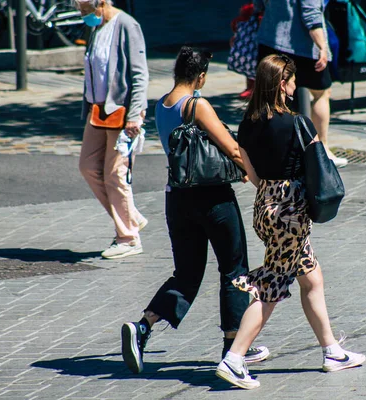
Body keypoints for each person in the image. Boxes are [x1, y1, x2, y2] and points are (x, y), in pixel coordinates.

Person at [215, 54, 365, 390]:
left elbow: (250, 171)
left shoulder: (248, 123)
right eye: (293, 80)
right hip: (290, 214)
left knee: (311, 278)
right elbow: (318, 169)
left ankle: (331, 351)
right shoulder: (298, 123)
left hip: (265, 205)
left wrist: (271, 190)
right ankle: (235, 358)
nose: (296, 86)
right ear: (282, 83)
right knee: (270, 287)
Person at [120, 47, 269, 374]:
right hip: (212, 198)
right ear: (200, 76)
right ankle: (233, 348)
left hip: (177, 198)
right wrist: (257, 178)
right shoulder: (196, 104)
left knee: (186, 273)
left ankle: (143, 326)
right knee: (234, 269)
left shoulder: (161, 105)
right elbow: (229, 145)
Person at [75, 0, 149, 259]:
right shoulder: (97, 27)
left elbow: (140, 74)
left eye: (86, 10)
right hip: (99, 111)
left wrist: (135, 115)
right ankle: (131, 216)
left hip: (123, 112)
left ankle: (128, 238)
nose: (84, 15)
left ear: (102, 3)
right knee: (87, 166)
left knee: (115, 174)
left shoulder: (127, 25)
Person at [253, 0, 348, 168]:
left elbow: (258, 5)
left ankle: (276, 149)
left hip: (269, 40)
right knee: (321, 93)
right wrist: (322, 47)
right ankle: (322, 149)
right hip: (301, 45)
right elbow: (310, 13)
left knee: (272, 97)